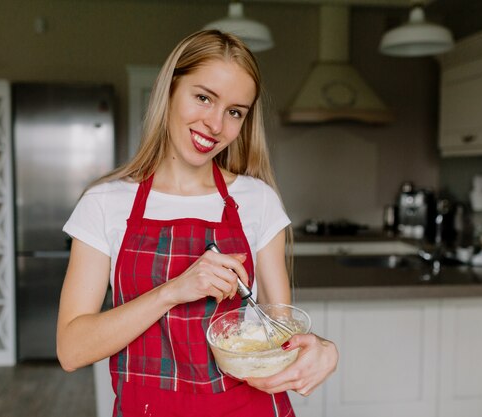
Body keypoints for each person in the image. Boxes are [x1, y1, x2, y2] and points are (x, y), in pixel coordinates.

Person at [56, 29, 338, 417]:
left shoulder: (258, 201)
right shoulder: (105, 204)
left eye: (234, 111)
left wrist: (321, 348)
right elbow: (72, 350)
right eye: (203, 97)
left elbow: (279, 331)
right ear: (170, 90)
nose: (215, 125)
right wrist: (173, 291)